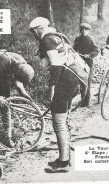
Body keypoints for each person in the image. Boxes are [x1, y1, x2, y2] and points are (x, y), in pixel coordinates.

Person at [29, 17, 89, 173]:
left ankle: (63, 163)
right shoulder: (58, 36)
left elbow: (55, 64)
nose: (34, 35)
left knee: (58, 123)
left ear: (38, 29)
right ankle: (65, 157)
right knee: (64, 120)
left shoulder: (47, 41)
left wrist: (52, 87)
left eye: (34, 32)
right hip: (73, 81)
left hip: (64, 84)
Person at [73, 23, 99, 107]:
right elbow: (74, 49)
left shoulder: (91, 39)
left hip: (88, 63)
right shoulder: (78, 39)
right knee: (81, 80)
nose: (84, 31)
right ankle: (82, 99)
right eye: (82, 30)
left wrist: (90, 55)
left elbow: (96, 50)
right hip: (79, 61)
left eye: (86, 30)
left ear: (88, 31)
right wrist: (75, 53)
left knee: (87, 81)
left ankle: (86, 101)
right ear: (80, 30)